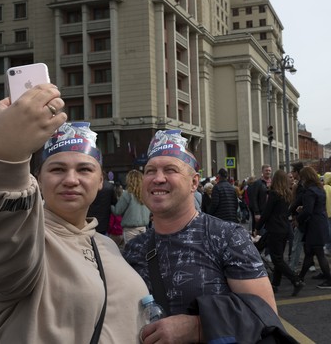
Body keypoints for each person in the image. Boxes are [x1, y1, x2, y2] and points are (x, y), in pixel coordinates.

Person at [0, 84, 149, 343]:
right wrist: (8, 155)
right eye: (57, 170)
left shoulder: (106, 244)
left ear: (101, 181)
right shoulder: (30, 242)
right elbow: (2, 234)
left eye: (85, 170)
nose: (71, 180)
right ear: (38, 179)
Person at [123, 130, 290, 343]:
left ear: (194, 183)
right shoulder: (134, 248)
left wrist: (199, 327)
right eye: (150, 171)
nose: (157, 178)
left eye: (170, 170)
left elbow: (266, 315)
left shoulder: (228, 237)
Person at [255, 170, 305, 296]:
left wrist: (257, 227)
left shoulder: (274, 194)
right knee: (279, 258)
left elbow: (266, 213)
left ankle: (296, 280)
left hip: (275, 229)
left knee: (277, 259)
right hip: (284, 228)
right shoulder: (287, 194)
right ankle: (275, 284)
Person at [296, 166, 331, 289]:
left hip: (314, 225)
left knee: (318, 253)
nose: (300, 180)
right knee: (310, 252)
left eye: (301, 177)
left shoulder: (310, 191)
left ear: (305, 178)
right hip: (320, 223)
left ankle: (329, 281)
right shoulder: (319, 188)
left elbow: (308, 211)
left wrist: (298, 217)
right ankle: (300, 277)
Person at [112, 169, 151, 244]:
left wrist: (111, 206)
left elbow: (117, 211)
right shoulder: (146, 194)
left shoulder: (127, 194)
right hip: (143, 228)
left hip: (130, 229)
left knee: (130, 252)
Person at [248, 164, 272, 229]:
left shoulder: (273, 182)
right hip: (261, 212)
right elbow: (254, 198)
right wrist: (256, 213)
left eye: (269, 170)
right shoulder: (258, 183)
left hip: (271, 212)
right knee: (261, 232)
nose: (268, 172)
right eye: (266, 170)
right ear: (262, 172)